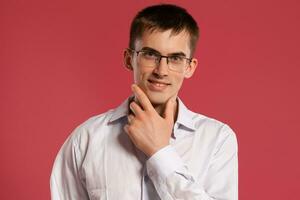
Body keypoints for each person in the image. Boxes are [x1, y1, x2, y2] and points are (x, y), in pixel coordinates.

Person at [50, 4, 238, 200]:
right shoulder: (85, 139)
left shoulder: (217, 139)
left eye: (175, 58)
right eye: (150, 54)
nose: (161, 70)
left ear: (189, 67)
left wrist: (160, 152)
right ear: (129, 58)